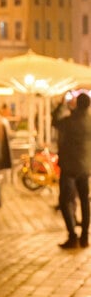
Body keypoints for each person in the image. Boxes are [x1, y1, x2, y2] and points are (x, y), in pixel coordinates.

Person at [51, 92, 91, 248]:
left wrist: (62, 104)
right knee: (85, 201)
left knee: (64, 200)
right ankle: (85, 237)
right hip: (86, 167)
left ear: (77, 104)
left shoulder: (69, 121)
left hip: (69, 168)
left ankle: (72, 236)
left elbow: (55, 121)